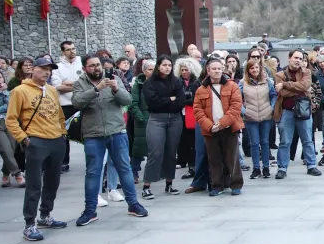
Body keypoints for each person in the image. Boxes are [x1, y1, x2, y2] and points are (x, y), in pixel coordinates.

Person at [72, 54, 148, 226]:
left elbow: (127, 100)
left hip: (117, 131)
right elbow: (77, 102)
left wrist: (115, 89)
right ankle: (90, 210)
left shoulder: (113, 78)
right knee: (93, 172)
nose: (97, 68)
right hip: (93, 134)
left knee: (124, 169)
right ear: (85, 68)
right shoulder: (79, 84)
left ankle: (133, 204)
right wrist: (96, 89)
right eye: (92, 66)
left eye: (98, 65)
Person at [6, 57, 68, 241]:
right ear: (33, 69)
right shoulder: (20, 91)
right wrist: (24, 139)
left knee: (53, 181)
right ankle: (29, 224)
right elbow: (11, 119)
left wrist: (63, 133)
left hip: (56, 140)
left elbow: (59, 115)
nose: (47, 72)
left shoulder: (51, 90)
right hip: (36, 141)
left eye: (50, 70)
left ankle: (45, 215)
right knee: (34, 184)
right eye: (43, 69)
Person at [193, 58, 244, 196]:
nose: (216, 71)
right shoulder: (200, 89)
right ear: (208, 71)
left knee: (232, 158)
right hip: (211, 130)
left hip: (229, 128)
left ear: (223, 70)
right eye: (213, 69)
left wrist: (222, 124)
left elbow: (236, 107)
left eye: (219, 69)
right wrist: (210, 126)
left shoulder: (232, 86)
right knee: (214, 159)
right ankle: (217, 186)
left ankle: (235, 184)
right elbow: (198, 111)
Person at [142, 55, 186, 199]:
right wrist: (169, 99)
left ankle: (169, 183)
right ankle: (146, 186)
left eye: (169, 65)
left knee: (171, 152)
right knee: (155, 152)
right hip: (156, 119)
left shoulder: (177, 81)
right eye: (164, 65)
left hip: (175, 119)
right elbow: (153, 103)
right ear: (158, 66)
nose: (167, 68)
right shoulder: (150, 83)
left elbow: (181, 101)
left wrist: (166, 100)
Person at [274, 49, 322, 179]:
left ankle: (311, 165)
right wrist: (299, 89)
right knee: (285, 142)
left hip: (304, 111)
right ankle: (282, 168)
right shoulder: (280, 74)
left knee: (307, 140)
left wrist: (285, 85)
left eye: (300, 59)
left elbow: (305, 86)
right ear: (289, 58)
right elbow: (282, 93)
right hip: (287, 112)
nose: (298, 61)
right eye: (296, 58)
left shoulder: (307, 72)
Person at [241, 58, 276, 179]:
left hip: (266, 115)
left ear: (260, 68)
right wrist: (244, 111)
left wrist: (271, 108)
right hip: (250, 117)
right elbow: (237, 99)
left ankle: (266, 167)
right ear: (248, 70)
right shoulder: (242, 83)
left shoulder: (267, 81)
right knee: (254, 143)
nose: (255, 70)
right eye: (252, 68)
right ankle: (256, 168)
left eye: (256, 67)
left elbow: (273, 95)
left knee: (265, 142)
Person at [50, 40, 81, 173]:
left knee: (87, 133)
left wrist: (67, 83)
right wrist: (79, 85)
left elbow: (89, 82)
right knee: (64, 135)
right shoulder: (57, 67)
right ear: (63, 52)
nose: (72, 51)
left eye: (73, 48)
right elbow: (57, 87)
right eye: (68, 49)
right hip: (65, 105)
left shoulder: (82, 62)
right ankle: (64, 162)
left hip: (82, 102)